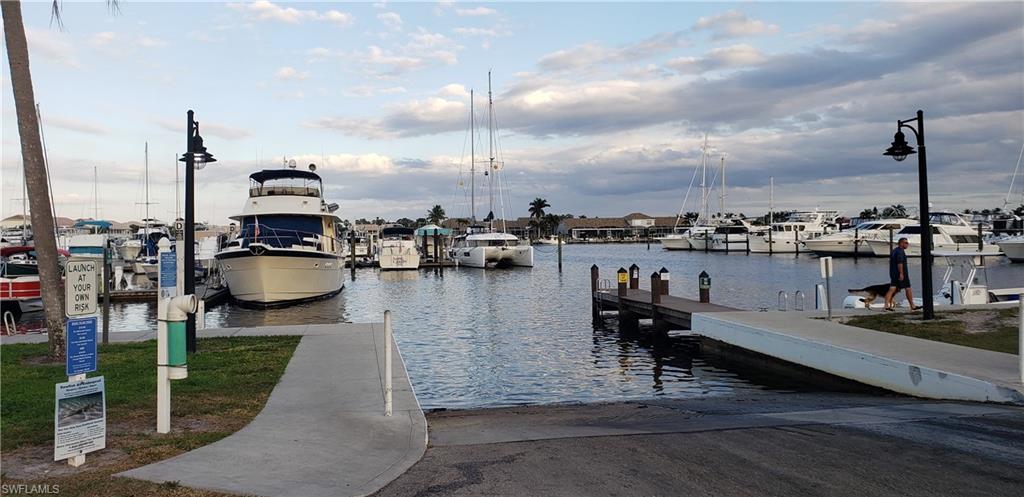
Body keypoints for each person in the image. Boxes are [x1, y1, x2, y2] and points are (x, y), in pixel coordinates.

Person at [884, 237, 918, 311]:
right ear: (901, 243)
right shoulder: (900, 252)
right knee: (908, 288)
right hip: (901, 274)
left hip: (893, 273)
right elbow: (900, 263)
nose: (907, 244)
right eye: (906, 243)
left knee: (892, 289)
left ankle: (886, 306)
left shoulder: (894, 251)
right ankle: (912, 306)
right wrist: (901, 273)